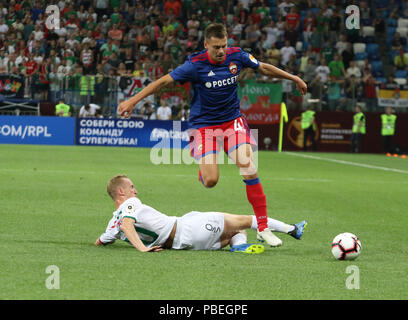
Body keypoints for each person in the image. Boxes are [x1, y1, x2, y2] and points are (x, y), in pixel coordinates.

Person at [117, 23, 307, 247]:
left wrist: (293, 77)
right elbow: (163, 82)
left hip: (232, 122)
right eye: (216, 47)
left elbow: (263, 67)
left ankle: (263, 227)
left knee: (249, 168)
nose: (221, 51)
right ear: (206, 44)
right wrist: (132, 101)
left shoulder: (237, 56)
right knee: (210, 180)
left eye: (224, 46)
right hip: (203, 127)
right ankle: (203, 168)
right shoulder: (195, 65)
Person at [94, 175, 308, 253]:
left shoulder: (111, 224)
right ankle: (292, 229)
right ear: (121, 192)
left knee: (233, 230)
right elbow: (127, 224)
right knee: (245, 221)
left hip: (183, 242)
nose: (136, 190)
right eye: (131, 187)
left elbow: (102, 241)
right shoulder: (130, 203)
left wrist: (101, 242)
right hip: (187, 230)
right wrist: (142, 248)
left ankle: (239, 246)